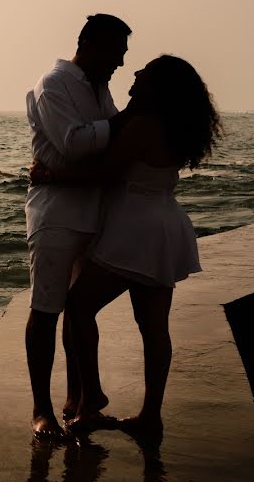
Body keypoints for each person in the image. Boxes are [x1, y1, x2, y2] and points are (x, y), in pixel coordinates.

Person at [31, 55, 223, 443]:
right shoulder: (174, 125)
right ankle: (150, 416)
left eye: (145, 73)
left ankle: (92, 396)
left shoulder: (143, 126)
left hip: (136, 229)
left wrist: (50, 175)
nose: (134, 73)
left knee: (79, 306)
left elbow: (103, 171)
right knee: (154, 328)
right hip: (166, 225)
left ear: (158, 86)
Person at [25, 14, 135, 438]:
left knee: (79, 311)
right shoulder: (53, 84)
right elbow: (73, 142)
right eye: (116, 53)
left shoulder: (97, 86)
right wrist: (125, 122)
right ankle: (41, 409)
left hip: (93, 212)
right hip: (56, 216)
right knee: (46, 308)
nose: (120, 64)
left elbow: (109, 144)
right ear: (89, 44)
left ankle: (79, 402)